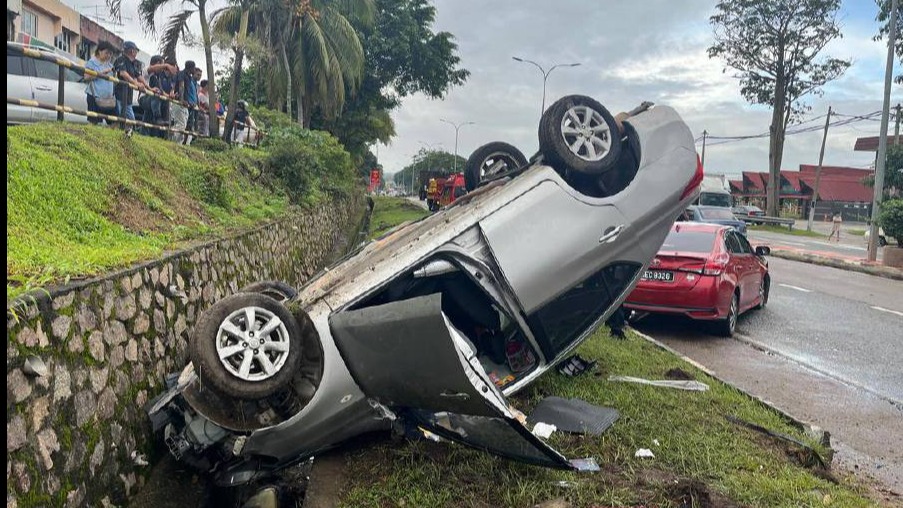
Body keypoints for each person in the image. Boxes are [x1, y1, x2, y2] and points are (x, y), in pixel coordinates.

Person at [113, 41, 147, 133]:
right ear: (132, 51)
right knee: (121, 117)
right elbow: (123, 74)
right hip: (119, 94)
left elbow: (139, 77)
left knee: (129, 119)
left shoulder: (133, 64)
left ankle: (125, 135)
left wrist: (148, 87)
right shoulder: (121, 60)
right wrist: (136, 84)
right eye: (136, 51)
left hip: (128, 96)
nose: (136, 53)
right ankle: (117, 134)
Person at [84, 40, 117, 125]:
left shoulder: (110, 65)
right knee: (93, 122)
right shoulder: (92, 62)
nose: (109, 56)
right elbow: (86, 77)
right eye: (107, 53)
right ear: (99, 51)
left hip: (108, 99)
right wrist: (101, 73)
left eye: (110, 54)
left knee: (115, 122)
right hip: (94, 96)